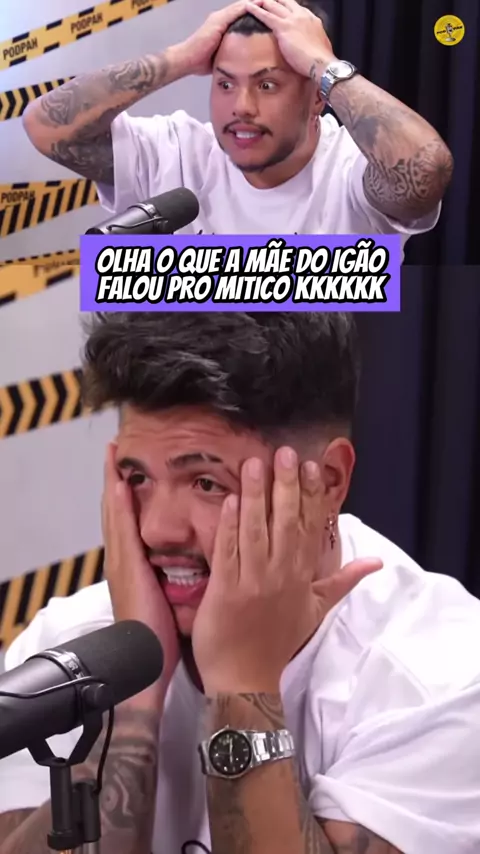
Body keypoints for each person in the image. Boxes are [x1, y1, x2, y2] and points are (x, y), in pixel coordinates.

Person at [0, 311, 479, 854]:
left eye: (206, 482)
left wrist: (241, 679)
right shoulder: (68, 644)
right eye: (138, 478)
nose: (157, 529)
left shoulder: (446, 675)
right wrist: (132, 677)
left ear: (328, 481)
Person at [22, 0, 453, 254]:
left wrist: (324, 65)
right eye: (225, 84)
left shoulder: (350, 171)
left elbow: (425, 169)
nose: (241, 107)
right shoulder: (176, 151)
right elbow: (46, 127)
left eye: (267, 85)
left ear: (317, 97)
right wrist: (182, 58)